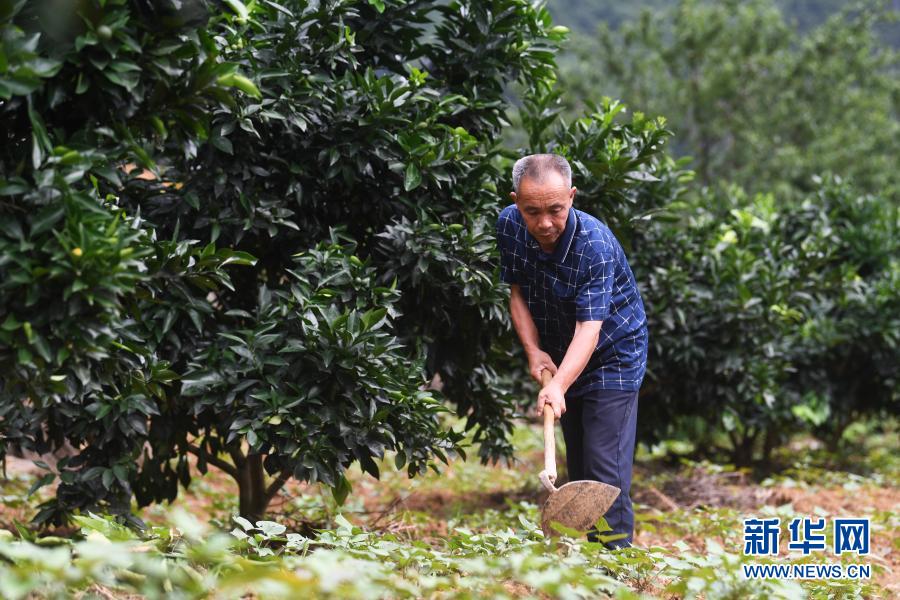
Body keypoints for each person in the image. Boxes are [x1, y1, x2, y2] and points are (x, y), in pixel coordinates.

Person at [495, 153, 648, 548]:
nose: (544, 223)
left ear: (572, 197)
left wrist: (559, 384)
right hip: (564, 352)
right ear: (516, 202)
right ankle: (589, 568)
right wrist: (533, 351)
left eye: (555, 210)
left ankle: (615, 572)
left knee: (603, 474)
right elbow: (516, 293)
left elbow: (590, 328)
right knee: (580, 468)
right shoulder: (510, 226)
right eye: (532, 211)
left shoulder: (593, 244)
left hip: (612, 353)